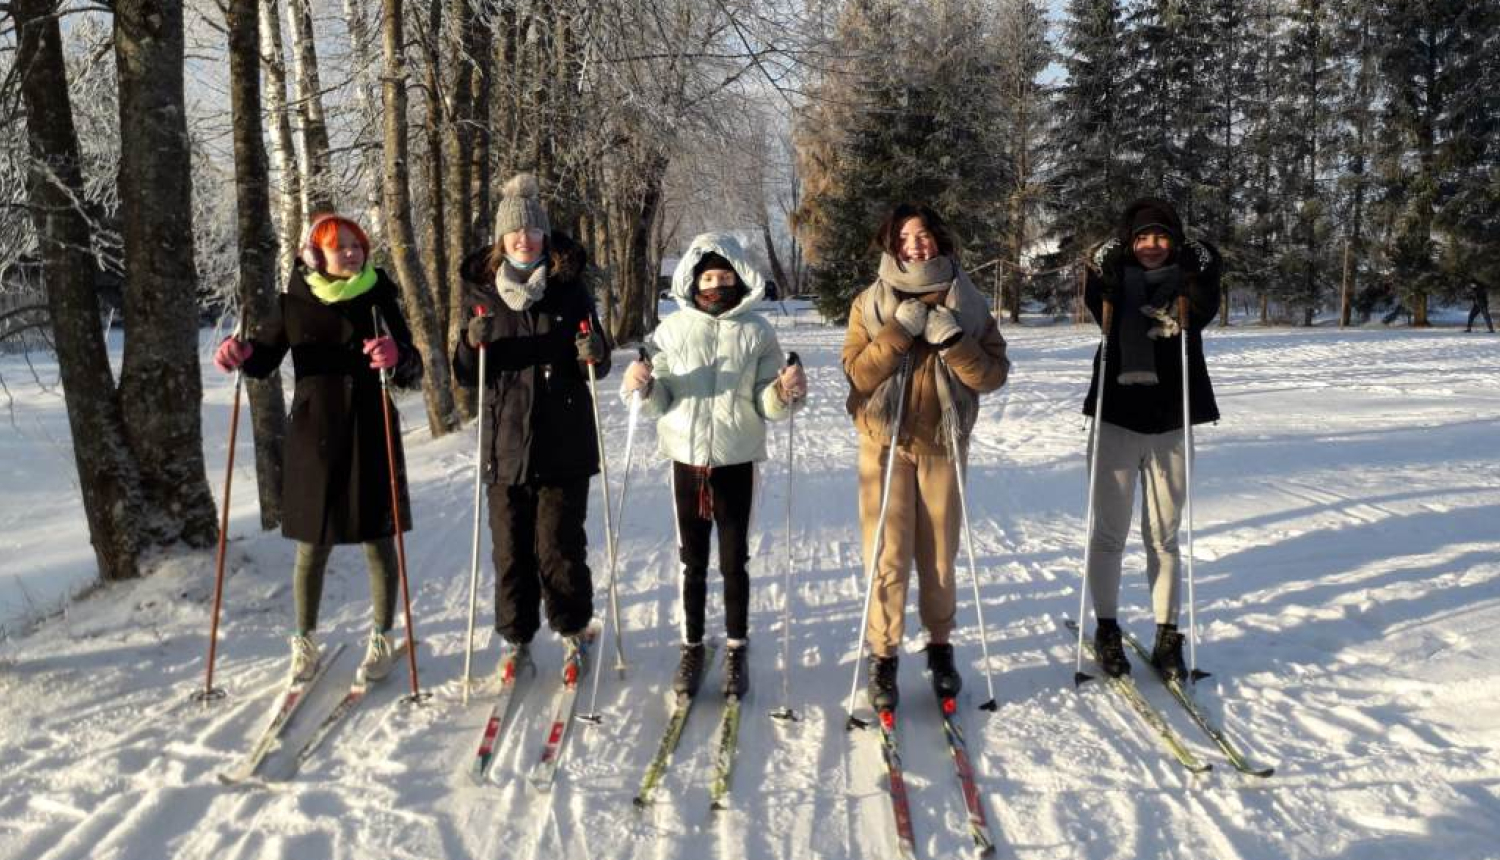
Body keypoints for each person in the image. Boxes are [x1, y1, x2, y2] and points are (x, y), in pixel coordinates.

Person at [213, 213, 423, 683]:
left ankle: (382, 637)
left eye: (356, 244)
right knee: (313, 543)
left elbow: (413, 365)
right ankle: (304, 641)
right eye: (339, 246)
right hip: (315, 433)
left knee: (377, 538)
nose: (351, 253)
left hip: (371, 427)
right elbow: (261, 358)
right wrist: (239, 353)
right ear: (317, 254)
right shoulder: (294, 303)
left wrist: (398, 356)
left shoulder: (378, 294)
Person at [619, 233, 805, 699]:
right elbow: (662, 399)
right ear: (693, 280)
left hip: (736, 460)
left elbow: (767, 404)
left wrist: (784, 392)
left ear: (739, 279)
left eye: (725, 276)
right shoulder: (671, 331)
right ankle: (693, 645)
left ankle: (737, 646)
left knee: (733, 559)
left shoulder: (759, 333)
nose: (717, 284)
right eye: (708, 276)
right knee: (692, 561)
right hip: (686, 461)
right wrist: (643, 386)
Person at [841, 203, 1010, 712]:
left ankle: (940, 648)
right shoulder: (869, 304)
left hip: (941, 442)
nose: (917, 245)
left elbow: (993, 374)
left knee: (938, 557)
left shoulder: (971, 303)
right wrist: (898, 333)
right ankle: (884, 655)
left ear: (938, 239)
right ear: (892, 244)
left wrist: (954, 341)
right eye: (906, 237)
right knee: (888, 556)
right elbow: (857, 375)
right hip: (885, 444)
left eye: (924, 236)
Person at [453, 173, 610, 684]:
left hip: (563, 438)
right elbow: (463, 372)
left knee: (559, 546)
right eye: (515, 233)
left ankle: (572, 630)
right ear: (502, 240)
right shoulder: (482, 295)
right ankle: (516, 640)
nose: (524, 240)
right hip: (505, 442)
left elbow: (598, 357)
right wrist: (468, 343)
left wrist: (594, 352)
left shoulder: (569, 290)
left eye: (533, 232)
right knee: (510, 550)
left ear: (544, 237)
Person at [1081, 196, 1221, 682]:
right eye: (1142, 237)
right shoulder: (1116, 284)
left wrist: (1208, 263)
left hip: (1170, 423)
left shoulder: (1187, 287)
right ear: (1130, 241)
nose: (1153, 246)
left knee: (1163, 537)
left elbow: (1205, 301)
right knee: (1109, 534)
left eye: (1162, 236)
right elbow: (1095, 293)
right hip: (1117, 419)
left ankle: (1167, 635)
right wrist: (1099, 264)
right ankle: (1107, 629)